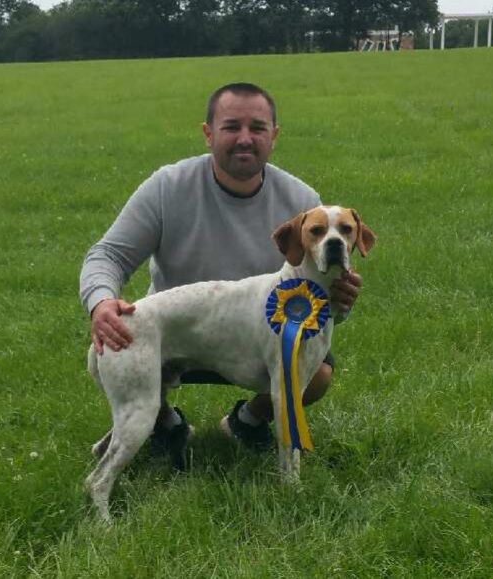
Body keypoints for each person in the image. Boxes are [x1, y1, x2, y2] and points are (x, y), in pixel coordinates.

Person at [80, 82, 362, 461]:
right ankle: (162, 423)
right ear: (208, 133)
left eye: (258, 128)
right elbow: (107, 255)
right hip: (175, 332)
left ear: (274, 136)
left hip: (258, 342)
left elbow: (314, 307)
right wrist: (101, 303)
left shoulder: (305, 205)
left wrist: (340, 305)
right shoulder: (167, 187)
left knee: (319, 374)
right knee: (127, 350)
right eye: (231, 127)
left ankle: (247, 422)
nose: (245, 139)